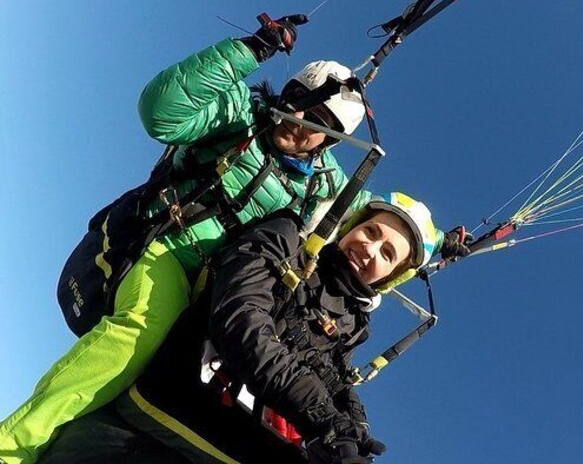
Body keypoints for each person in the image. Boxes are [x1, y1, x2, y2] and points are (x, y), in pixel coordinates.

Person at [0, 15, 463, 464]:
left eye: (318, 118)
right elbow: (160, 112)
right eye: (297, 98)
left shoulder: (325, 185)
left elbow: (384, 224)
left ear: (331, 140)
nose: (299, 119)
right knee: (140, 331)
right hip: (172, 254)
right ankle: (14, 446)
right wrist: (249, 50)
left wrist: (437, 243)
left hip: (220, 285)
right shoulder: (241, 116)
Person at [39, 193, 443, 463]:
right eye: (371, 231)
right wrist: (321, 416)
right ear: (353, 224)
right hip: (170, 400)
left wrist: (353, 432)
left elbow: (334, 379)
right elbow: (241, 320)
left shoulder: (350, 324)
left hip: (225, 433)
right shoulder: (287, 238)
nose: (369, 249)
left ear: (390, 276)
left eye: (387, 253)